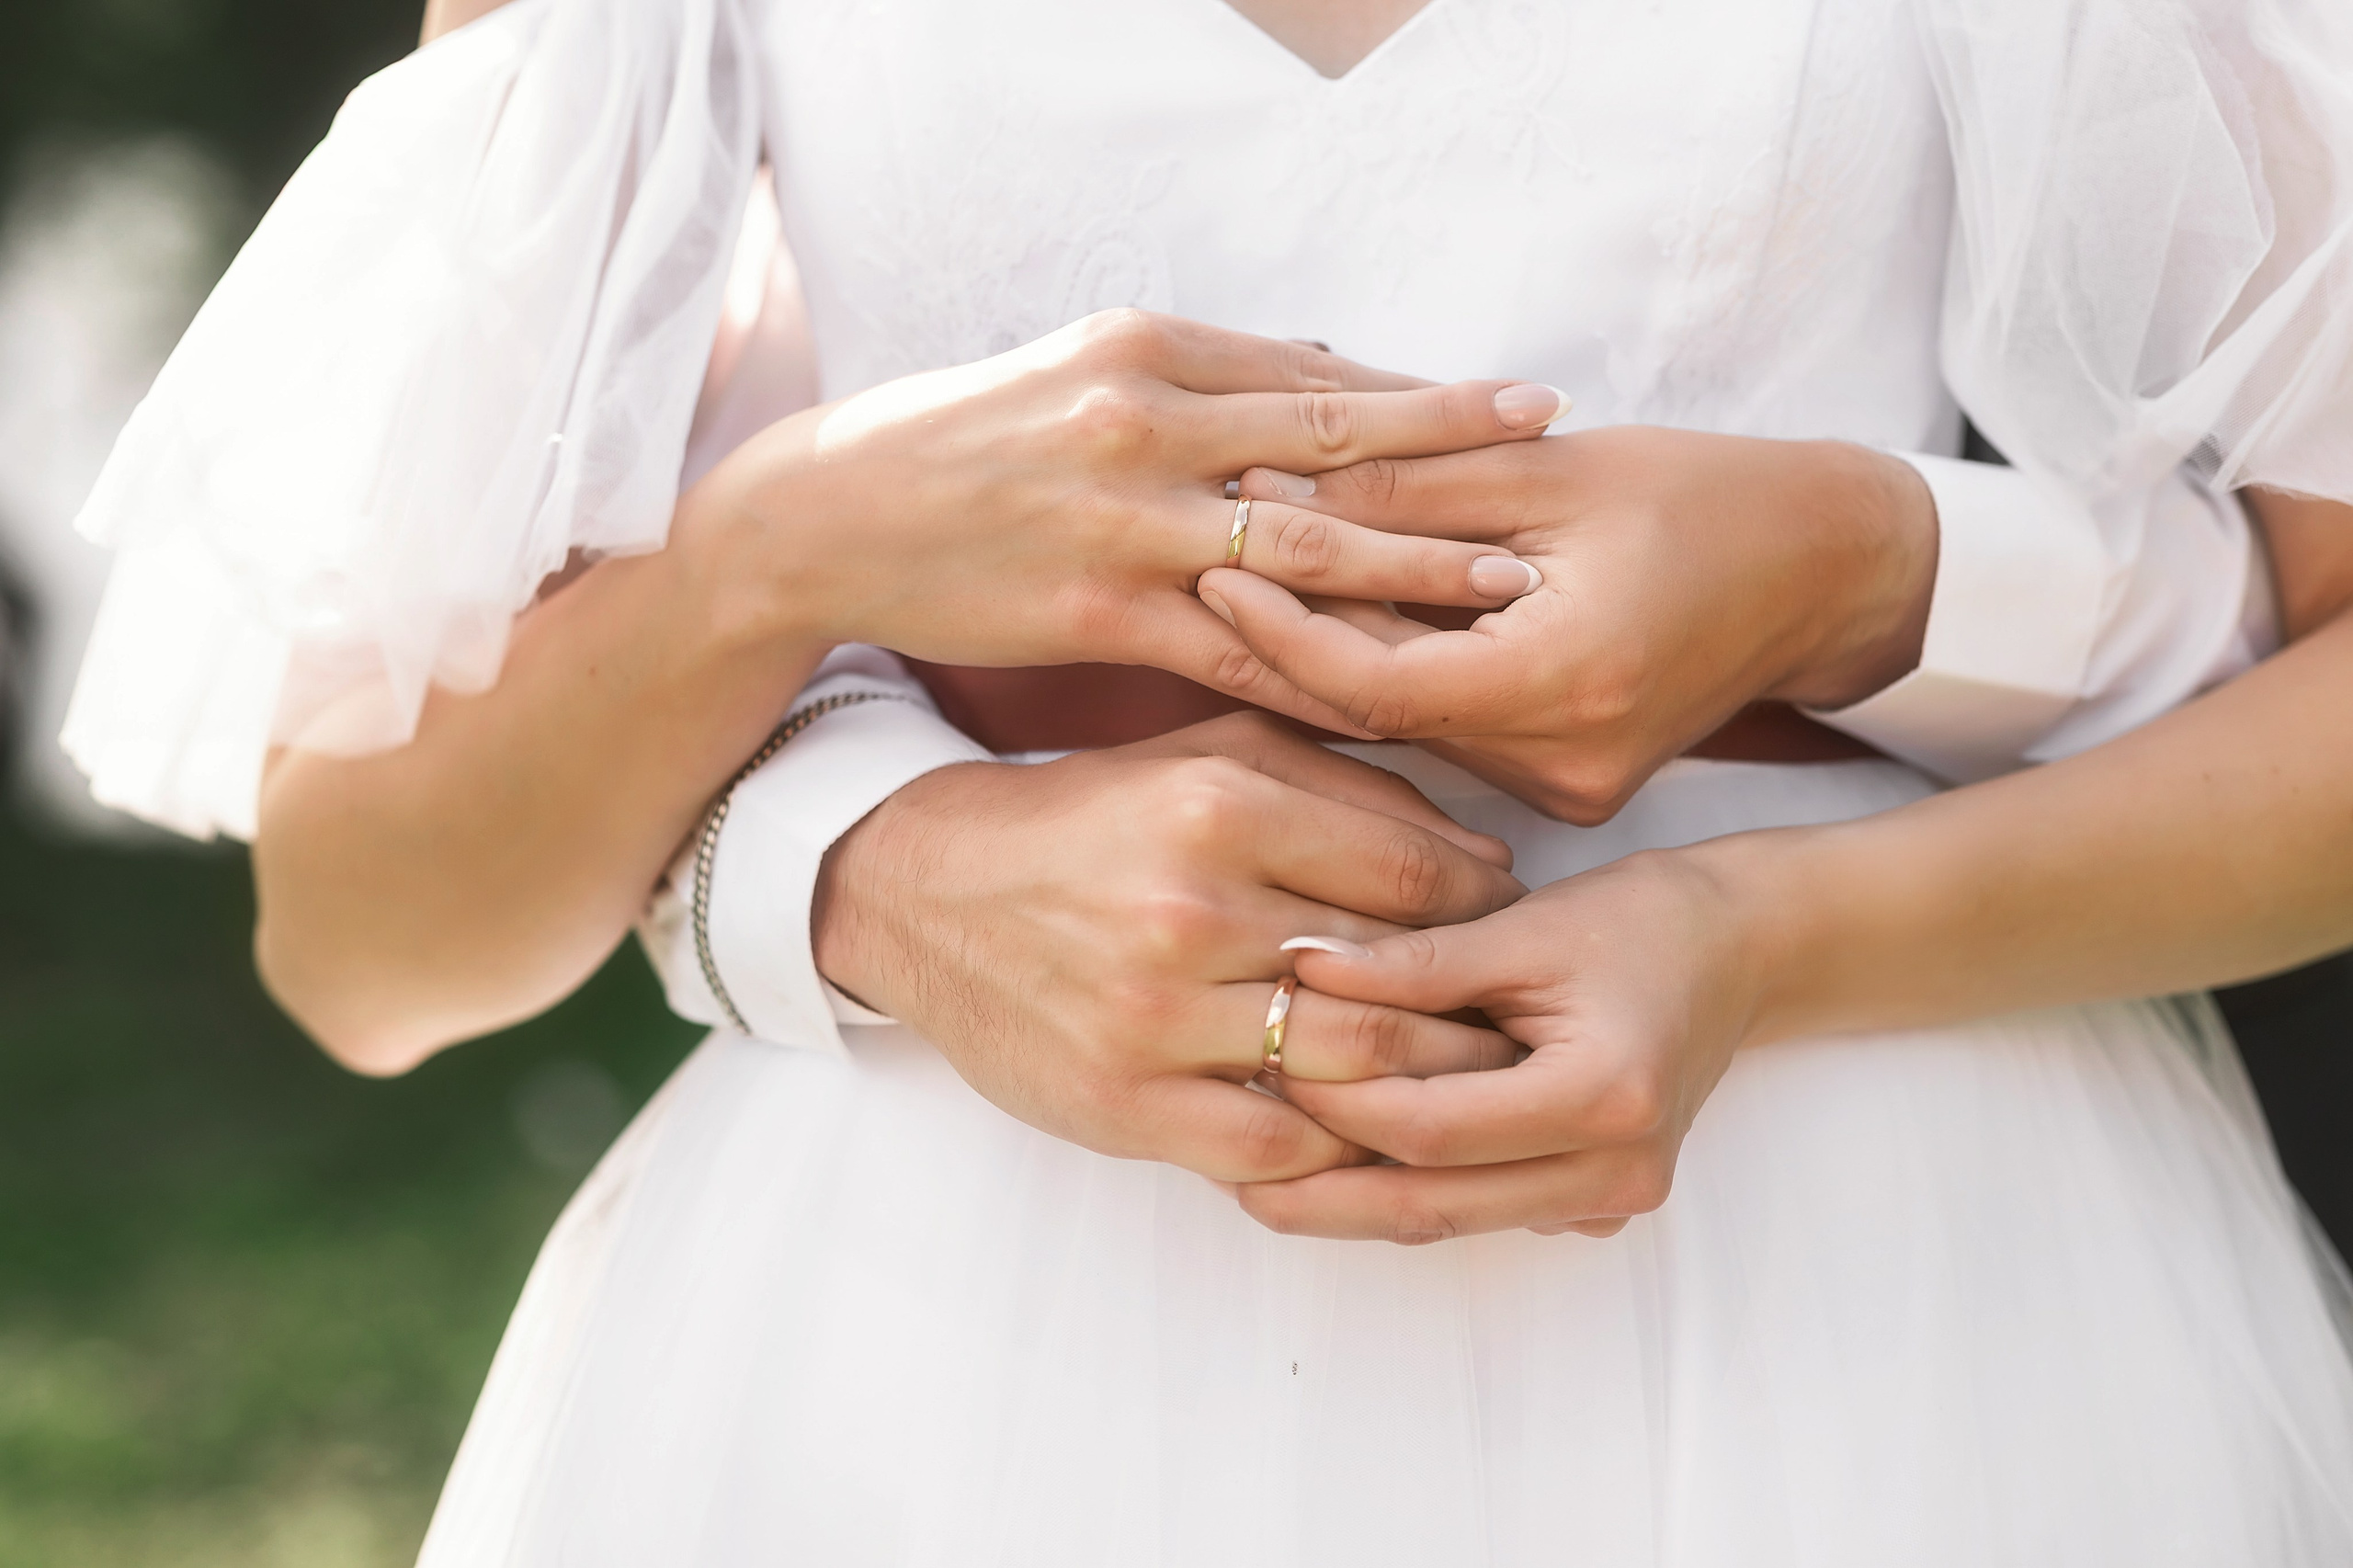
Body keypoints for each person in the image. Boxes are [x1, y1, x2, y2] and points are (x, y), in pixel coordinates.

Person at [56, 0, 2353, 1561]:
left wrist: (1822, 723)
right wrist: (806, 652)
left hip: (1914, 1301)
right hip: (922, 1348)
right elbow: (361, 930)